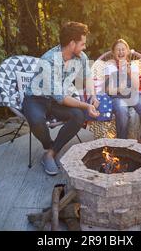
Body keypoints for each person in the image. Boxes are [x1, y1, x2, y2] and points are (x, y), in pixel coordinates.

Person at [23, 22, 100, 176]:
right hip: (36, 98)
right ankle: (49, 145)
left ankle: (50, 154)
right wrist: (86, 105)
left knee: (78, 116)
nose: (85, 47)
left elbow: (87, 77)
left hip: (56, 101)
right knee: (37, 122)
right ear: (72, 43)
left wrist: (93, 95)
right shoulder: (49, 60)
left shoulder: (80, 57)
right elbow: (62, 98)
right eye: (82, 44)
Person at [105, 39, 141, 145]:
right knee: (122, 112)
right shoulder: (110, 67)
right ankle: (122, 142)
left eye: (123, 49)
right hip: (117, 96)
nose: (121, 52)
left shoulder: (133, 65)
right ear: (113, 53)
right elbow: (108, 89)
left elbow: (136, 87)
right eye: (118, 50)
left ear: (127, 51)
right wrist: (120, 89)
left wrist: (129, 72)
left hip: (132, 94)